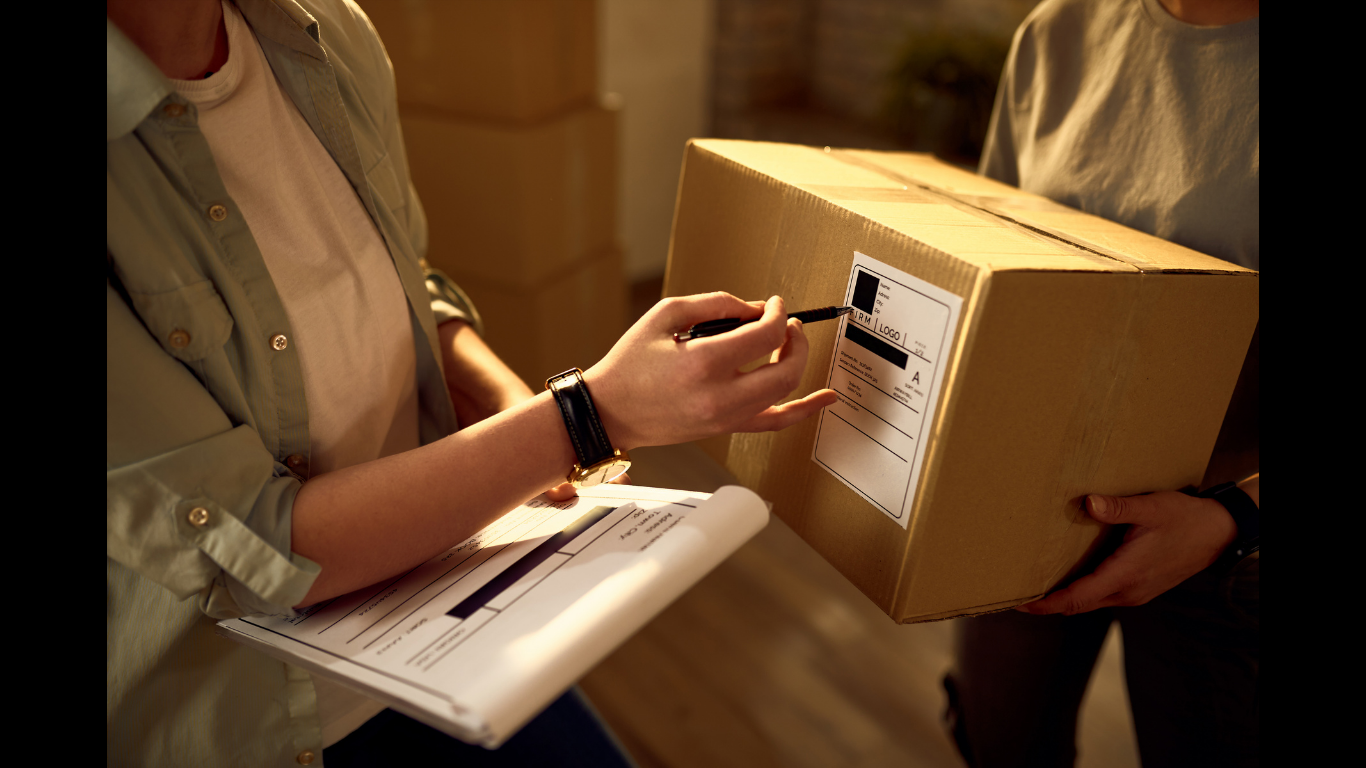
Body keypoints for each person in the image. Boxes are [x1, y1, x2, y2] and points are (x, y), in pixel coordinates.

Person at [105, 0, 838, 764]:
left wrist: (500, 399)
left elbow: (406, 280)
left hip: (436, 614)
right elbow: (262, 546)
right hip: (264, 719)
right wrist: (586, 417)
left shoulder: (327, 35)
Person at [941, 1, 1259, 767]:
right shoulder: (1060, 31)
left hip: (1229, 541)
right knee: (999, 742)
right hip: (1033, 499)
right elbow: (996, 272)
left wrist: (1235, 522)